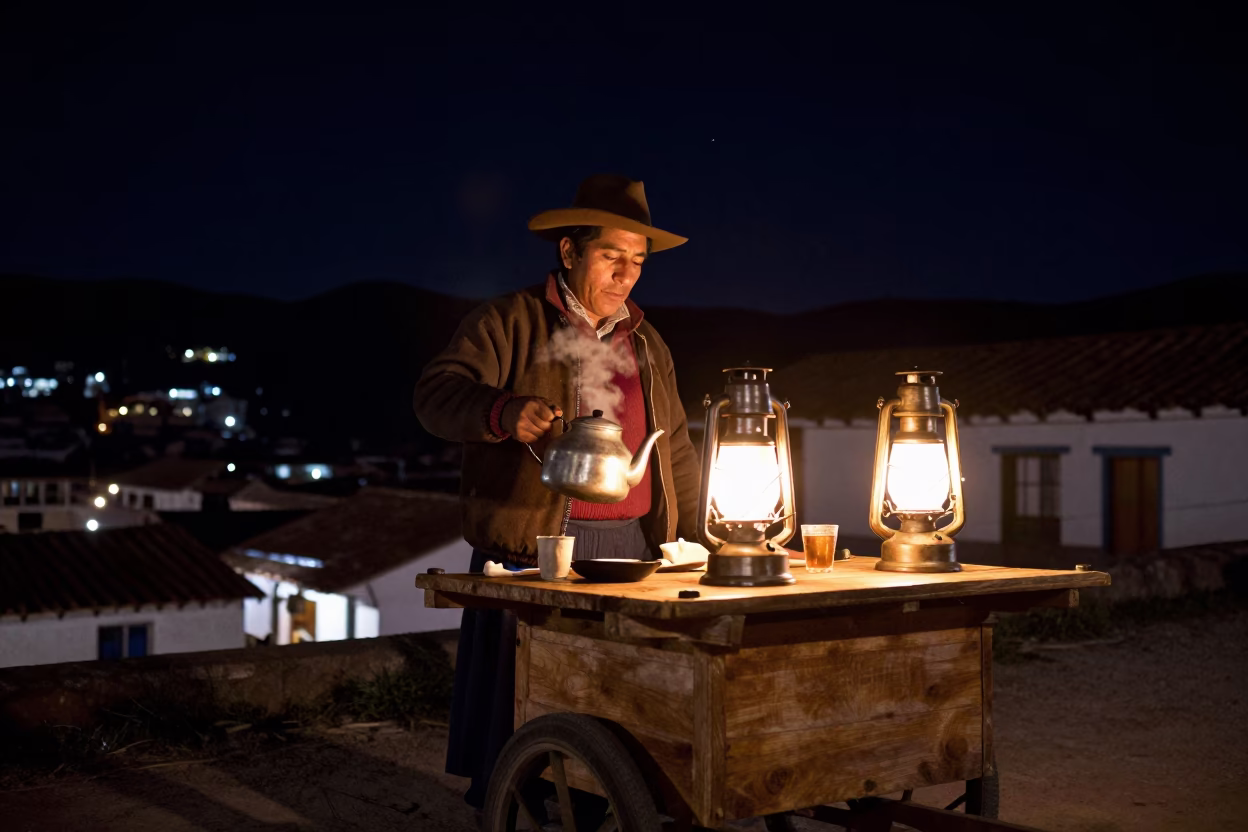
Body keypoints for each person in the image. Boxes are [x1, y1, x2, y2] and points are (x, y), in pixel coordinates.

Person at [413, 174, 702, 812]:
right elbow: (435, 395)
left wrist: (692, 539)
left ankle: (606, 804)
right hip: (535, 546)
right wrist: (500, 411)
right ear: (569, 252)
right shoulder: (509, 321)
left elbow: (673, 444)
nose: (626, 273)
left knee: (616, 699)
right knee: (520, 697)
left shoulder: (648, 344)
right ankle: (513, 802)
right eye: (611, 256)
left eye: (638, 261)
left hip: (629, 548)